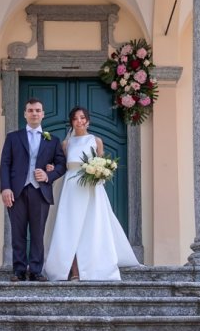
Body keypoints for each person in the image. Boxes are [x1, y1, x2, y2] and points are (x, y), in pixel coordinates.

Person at [44, 106, 140, 281]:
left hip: (91, 188)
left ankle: (95, 266)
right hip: (71, 188)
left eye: (82, 118)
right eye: (75, 118)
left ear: (88, 120)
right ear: (71, 122)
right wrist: (51, 168)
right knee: (70, 228)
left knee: (92, 226)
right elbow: (61, 166)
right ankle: (74, 271)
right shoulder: (66, 144)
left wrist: (101, 171)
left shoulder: (96, 141)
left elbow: (102, 162)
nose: (79, 121)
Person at [0, 97, 66, 282]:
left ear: (43, 114)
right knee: (17, 232)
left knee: (37, 232)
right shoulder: (13, 137)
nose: (34, 113)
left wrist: (48, 176)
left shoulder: (53, 140)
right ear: (25, 114)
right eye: (30, 110)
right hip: (17, 191)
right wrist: (5, 188)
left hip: (40, 192)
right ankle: (19, 270)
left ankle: (36, 270)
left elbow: (62, 165)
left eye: (38, 110)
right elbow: (5, 164)